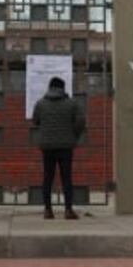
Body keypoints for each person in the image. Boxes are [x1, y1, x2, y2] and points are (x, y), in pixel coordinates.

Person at [32, 76, 86, 220]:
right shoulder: (72, 103)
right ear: (63, 88)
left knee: (47, 178)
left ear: (50, 87)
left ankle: (48, 210)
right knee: (66, 178)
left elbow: (35, 121)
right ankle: (68, 210)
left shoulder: (40, 103)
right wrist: (74, 135)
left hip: (47, 146)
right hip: (65, 146)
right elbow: (81, 121)